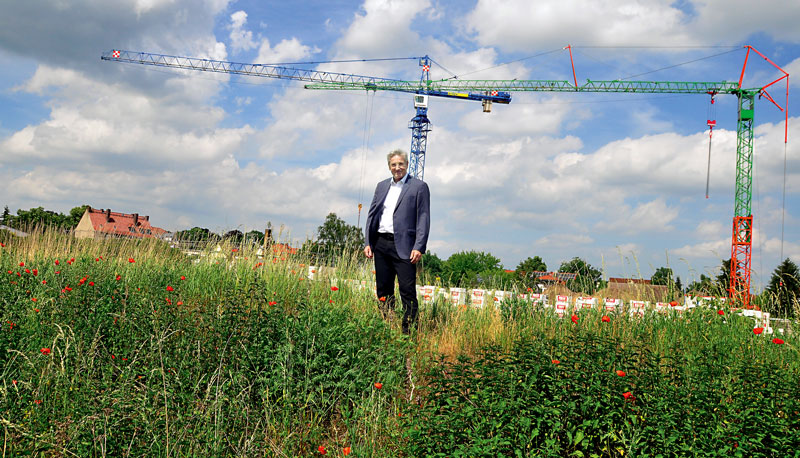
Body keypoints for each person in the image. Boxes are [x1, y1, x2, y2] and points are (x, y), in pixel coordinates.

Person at [364, 149, 430, 334]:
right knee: (383, 289)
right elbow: (372, 215)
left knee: (407, 291)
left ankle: (408, 332)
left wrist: (419, 246)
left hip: (405, 247)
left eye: (401, 164)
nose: (397, 167)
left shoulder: (419, 187)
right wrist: (368, 242)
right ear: (389, 167)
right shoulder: (381, 186)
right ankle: (386, 326)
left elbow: (423, 218)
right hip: (381, 244)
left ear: (407, 164)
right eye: (394, 164)